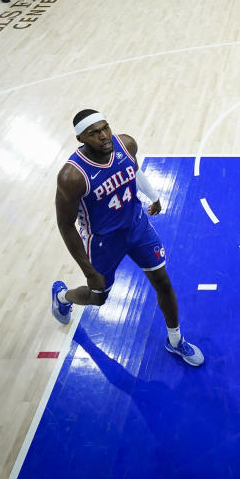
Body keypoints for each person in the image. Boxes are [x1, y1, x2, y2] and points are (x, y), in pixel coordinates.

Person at [52, 110, 204, 367]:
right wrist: (88, 271)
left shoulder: (126, 144)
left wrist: (153, 195)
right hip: (103, 242)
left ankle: (175, 340)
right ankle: (62, 296)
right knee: (98, 297)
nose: (103, 136)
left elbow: (133, 170)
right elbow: (65, 226)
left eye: (105, 128)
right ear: (81, 138)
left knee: (163, 282)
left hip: (137, 227)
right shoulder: (72, 177)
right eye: (94, 133)